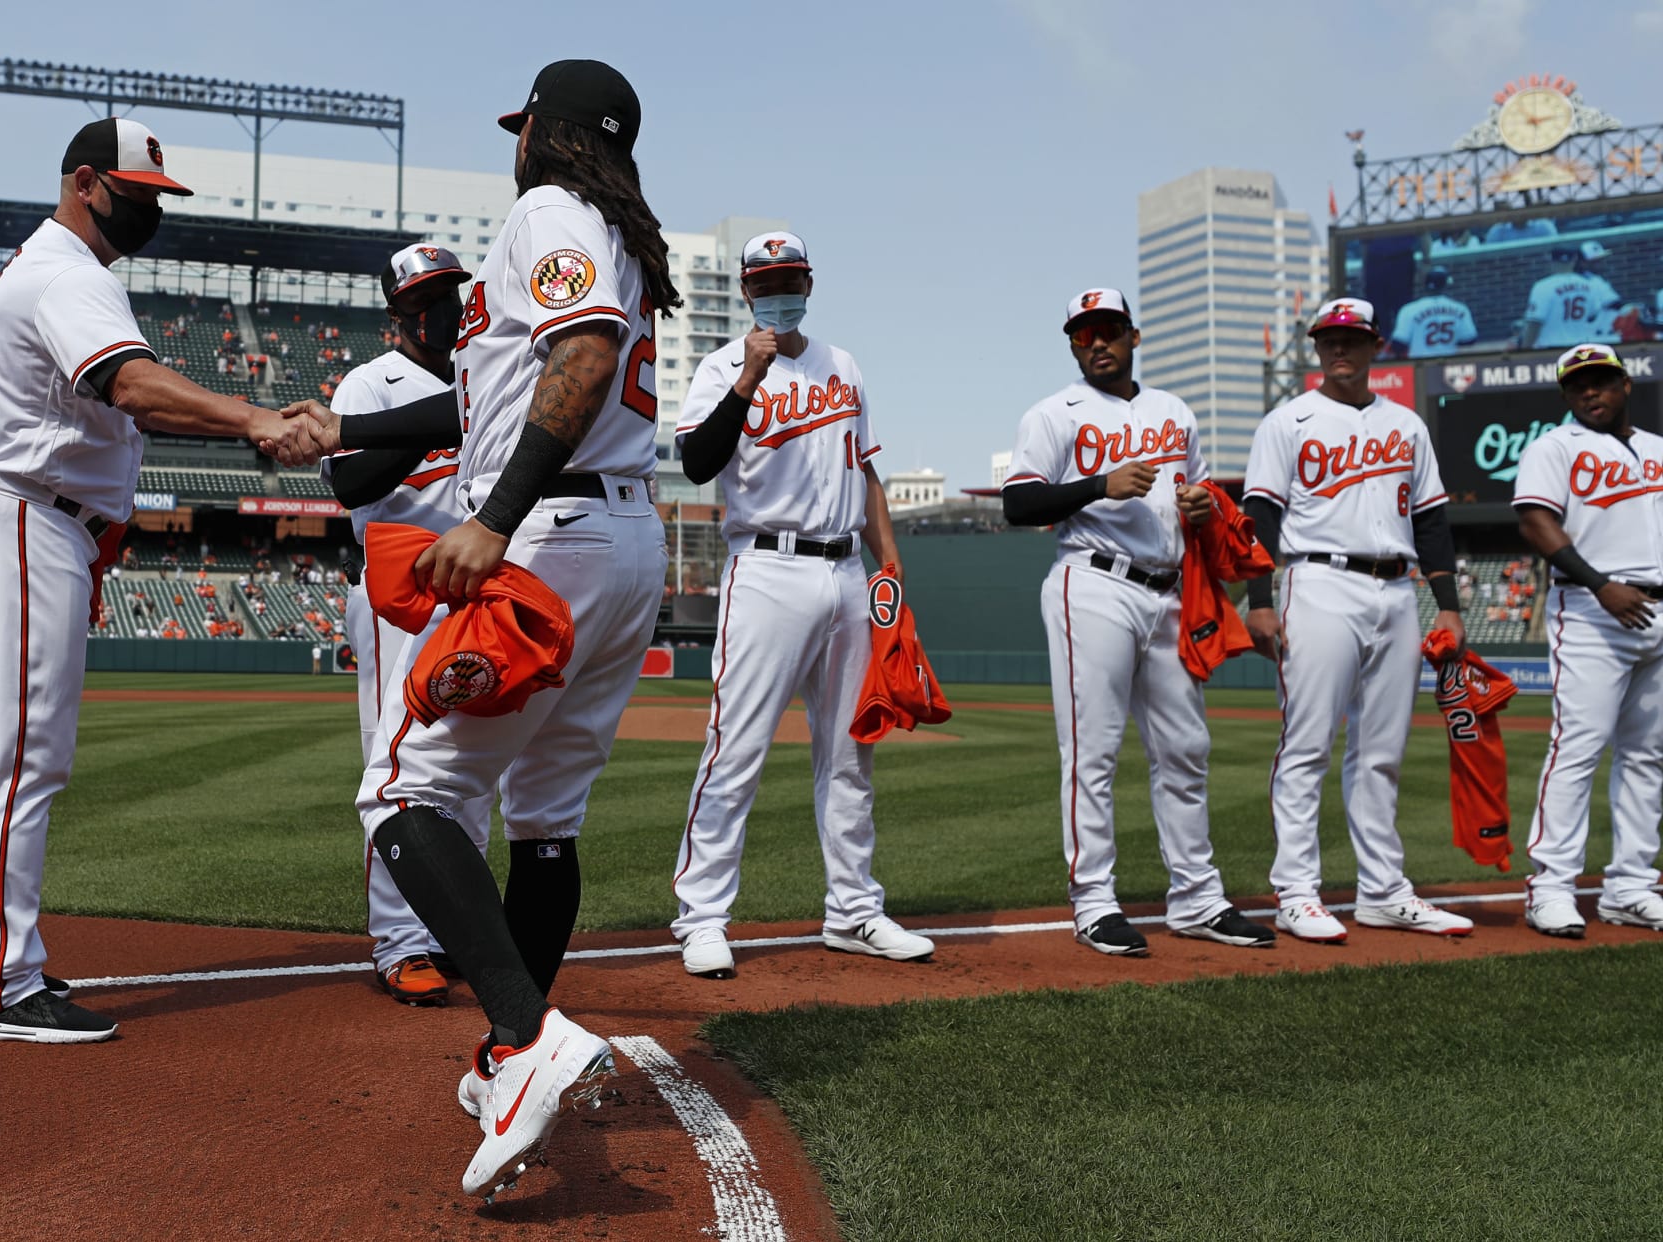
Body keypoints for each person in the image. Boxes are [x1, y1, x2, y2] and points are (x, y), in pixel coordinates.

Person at [278, 59, 674, 1201]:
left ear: (543, 132)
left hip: (549, 537)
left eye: (523, 126)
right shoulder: (618, 234)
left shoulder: (547, 211)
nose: (514, 143)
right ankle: (508, 1058)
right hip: (624, 539)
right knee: (544, 818)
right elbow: (489, 392)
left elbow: (581, 359)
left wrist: (495, 519)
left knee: (405, 792)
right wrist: (350, 419)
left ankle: (527, 1034)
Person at [0, 116, 305, 1044]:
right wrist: (257, 418)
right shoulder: (67, 272)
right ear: (84, 182)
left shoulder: (48, 265)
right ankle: (5, 987)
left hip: (8, 515)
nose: (149, 213)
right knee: (27, 758)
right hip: (24, 517)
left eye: (156, 199)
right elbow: (130, 386)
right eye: (137, 196)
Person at [665, 231, 935, 977]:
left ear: (809, 284)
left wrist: (891, 566)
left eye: (792, 279)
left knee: (851, 755)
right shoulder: (722, 366)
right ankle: (703, 917)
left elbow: (869, 471)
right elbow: (694, 464)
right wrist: (747, 381)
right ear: (747, 291)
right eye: (767, 281)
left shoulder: (842, 365)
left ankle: (854, 911)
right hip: (767, 569)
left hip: (849, 571)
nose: (780, 292)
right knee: (737, 749)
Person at [1000, 289, 1273, 957]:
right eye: (1084, 333)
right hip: (1092, 582)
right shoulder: (1054, 413)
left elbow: (1205, 493)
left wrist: (1201, 505)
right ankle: (1094, 900)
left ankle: (1197, 898)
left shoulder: (1173, 411)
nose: (1097, 342)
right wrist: (1098, 484)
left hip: (1170, 590)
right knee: (1092, 750)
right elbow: (1018, 501)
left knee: (1185, 747)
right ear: (1072, 343)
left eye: (1109, 330)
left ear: (1133, 337)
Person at [1242, 298, 1472, 942]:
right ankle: (1296, 891)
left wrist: (1448, 605)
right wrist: (1259, 600)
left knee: (1382, 752)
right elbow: (1259, 515)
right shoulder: (1287, 422)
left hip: (1397, 591)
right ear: (1316, 347)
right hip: (1318, 581)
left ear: (1375, 346)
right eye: (1328, 339)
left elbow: (1429, 520)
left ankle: (1382, 892)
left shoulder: (1407, 424)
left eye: (1352, 338)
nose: (1339, 348)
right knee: (1308, 743)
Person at [318, 243, 494, 1007]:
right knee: (395, 764)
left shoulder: (487, 377)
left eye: (450, 291)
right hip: (401, 590)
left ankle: (457, 926)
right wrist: (432, 422)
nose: (441, 307)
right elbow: (350, 481)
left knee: (474, 769)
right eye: (425, 297)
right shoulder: (371, 381)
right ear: (398, 313)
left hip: (480, 592)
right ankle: (400, 941)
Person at [1511, 343, 1663, 936]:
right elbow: (1534, 520)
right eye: (1578, 387)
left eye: (1600, 382)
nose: (1590, 393)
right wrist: (1601, 585)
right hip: (1595, 611)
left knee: (1648, 756)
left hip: (1656, 607)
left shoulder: (1656, 449)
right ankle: (1549, 886)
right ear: (1566, 396)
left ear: (1625, 385)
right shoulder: (1555, 447)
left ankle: (1630, 886)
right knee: (1576, 748)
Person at [1521, 242, 1620, 349]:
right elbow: (1593, 315)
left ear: (1552, 261)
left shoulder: (1542, 286)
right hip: (1581, 349)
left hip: (1551, 350)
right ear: (1574, 260)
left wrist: (1524, 351)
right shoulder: (1589, 285)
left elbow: (1534, 323)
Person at [1387, 267, 1479, 359]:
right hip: (1449, 364)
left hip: (1419, 365)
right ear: (1445, 285)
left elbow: (1398, 344)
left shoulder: (1409, 309)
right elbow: (1470, 339)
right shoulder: (1460, 308)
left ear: (1425, 286)